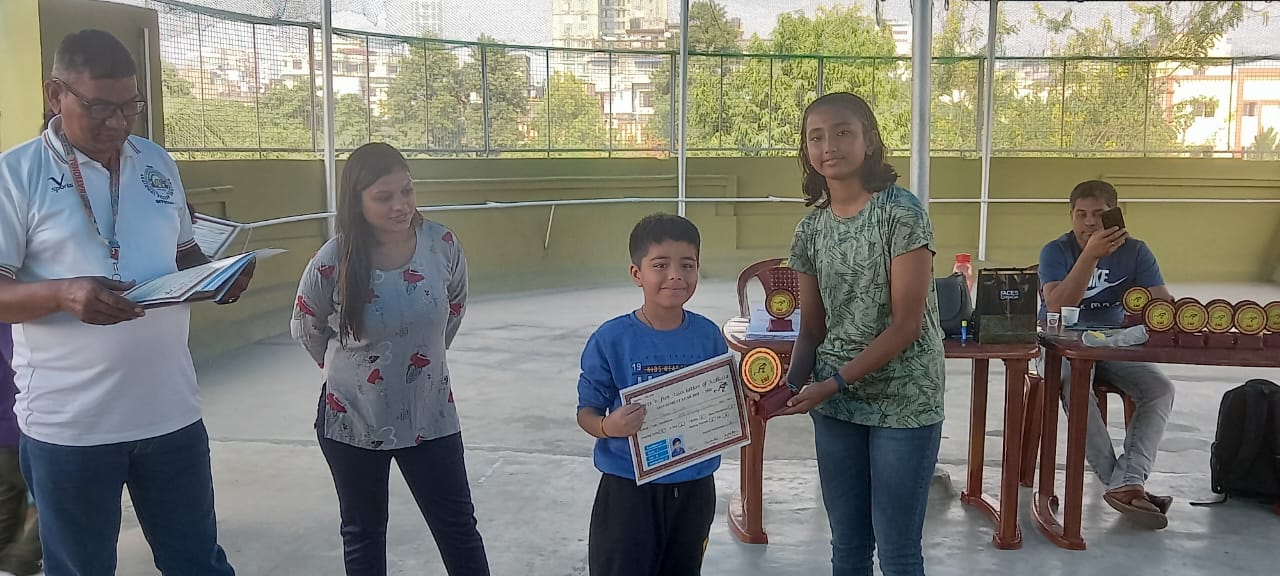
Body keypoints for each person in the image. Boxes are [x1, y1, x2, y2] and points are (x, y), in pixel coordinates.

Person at [0, 29, 251, 575]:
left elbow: (186, 255)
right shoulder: (15, 175)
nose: (117, 123)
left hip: (171, 414)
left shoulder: (156, 161)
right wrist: (63, 294)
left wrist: (219, 277)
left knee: (198, 564)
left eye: (129, 107)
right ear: (55, 95)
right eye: (99, 107)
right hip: (72, 428)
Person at [291, 142, 488, 576]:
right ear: (357, 201)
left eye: (407, 191)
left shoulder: (442, 244)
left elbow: (454, 307)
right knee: (363, 533)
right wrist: (348, 371)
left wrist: (421, 360)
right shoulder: (334, 259)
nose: (400, 205)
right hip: (353, 419)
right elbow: (306, 325)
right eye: (384, 197)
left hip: (430, 416)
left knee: (458, 528)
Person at [773, 92, 945, 576]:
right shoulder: (810, 230)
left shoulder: (901, 212)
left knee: (898, 550)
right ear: (806, 151)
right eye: (816, 137)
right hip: (836, 406)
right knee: (847, 546)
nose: (829, 145)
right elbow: (812, 326)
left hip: (904, 399)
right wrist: (787, 387)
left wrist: (832, 383)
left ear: (869, 141)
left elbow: (907, 325)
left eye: (843, 132)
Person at [575, 213, 726, 576]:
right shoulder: (611, 339)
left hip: (694, 485)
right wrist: (608, 427)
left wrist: (742, 403)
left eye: (687, 265)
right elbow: (586, 412)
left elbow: (723, 398)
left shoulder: (708, 336)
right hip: (628, 487)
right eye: (660, 265)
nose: (676, 275)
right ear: (637, 273)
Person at [1038, 179, 1176, 529]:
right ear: (1071, 216)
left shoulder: (1137, 251)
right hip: (1060, 344)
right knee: (1073, 381)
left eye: (1099, 214)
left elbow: (1161, 301)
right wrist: (1090, 256)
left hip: (1112, 341)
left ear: (1115, 214)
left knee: (1160, 389)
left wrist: (1162, 307)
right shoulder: (1055, 251)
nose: (1089, 222)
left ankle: (1127, 481)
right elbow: (1057, 306)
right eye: (1081, 214)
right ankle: (1123, 483)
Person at [0, 324, 41, 576]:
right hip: (19, 433)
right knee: (59, 507)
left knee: (5, 511)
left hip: (6, 436)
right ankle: (15, 567)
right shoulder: (9, 319)